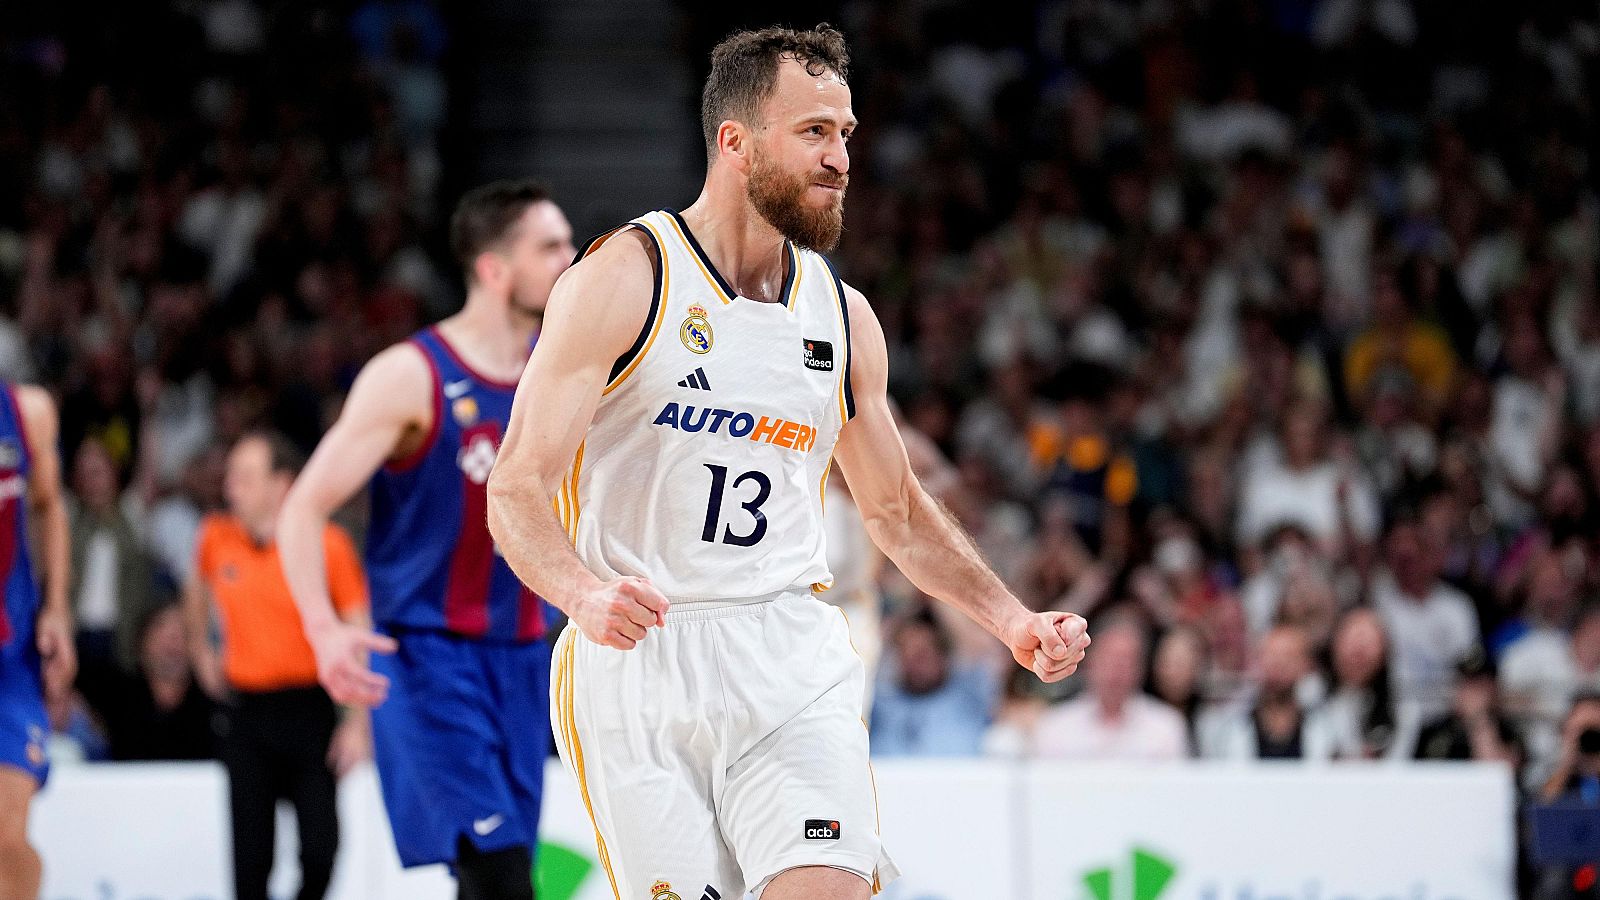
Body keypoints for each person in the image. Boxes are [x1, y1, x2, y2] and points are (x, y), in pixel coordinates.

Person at [485, 25, 1090, 900]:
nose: (840, 157)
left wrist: (1012, 620)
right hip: (643, 658)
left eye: (846, 133)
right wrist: (581, 593)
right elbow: (515, 485)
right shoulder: (626, 278)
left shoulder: (843, 316)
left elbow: (897, 511)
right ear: (736, 142)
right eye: (814, 131)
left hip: (788, 653)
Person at [279, 179, 574, 900]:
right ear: (494, 269)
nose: (571, 260)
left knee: (495, 873)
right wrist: (322, 630)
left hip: (523, 654)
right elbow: (302, 509)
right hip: (428, 656)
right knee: (499, 873)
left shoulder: (565, 370)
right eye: (550, 247)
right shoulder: (410, 375)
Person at [184, 432, 367, 900]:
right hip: (247, 711)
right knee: (250, 859)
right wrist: (201, 650)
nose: (231, 487)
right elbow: (196, 593)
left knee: (321, 850)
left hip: (310, 708)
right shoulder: (216, 537)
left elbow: (357, 626)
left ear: (282, 484)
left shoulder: (328, 544)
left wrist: (357, 722)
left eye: (246, 477)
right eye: (231, 476)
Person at [0, 381, 74, 900]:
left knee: (8, 832)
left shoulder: (28, 411)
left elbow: (49, 506)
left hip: (11, 657)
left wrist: (57, 608)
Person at [1033, 614, 1186, 761]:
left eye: (1126, 661)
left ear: (1141, 667)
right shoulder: (1055, 727)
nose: (1116, 670)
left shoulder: (1166, 728)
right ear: (1088, 662)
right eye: (1109, 659)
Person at [869, 605, 997, 757]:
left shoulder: (969, 695)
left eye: (922, 654)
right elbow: (862, 648)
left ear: (943, 655)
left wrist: (936, 597)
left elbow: (982, 647)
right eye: (907, 653)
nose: (915, 663)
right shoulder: (879, 704)